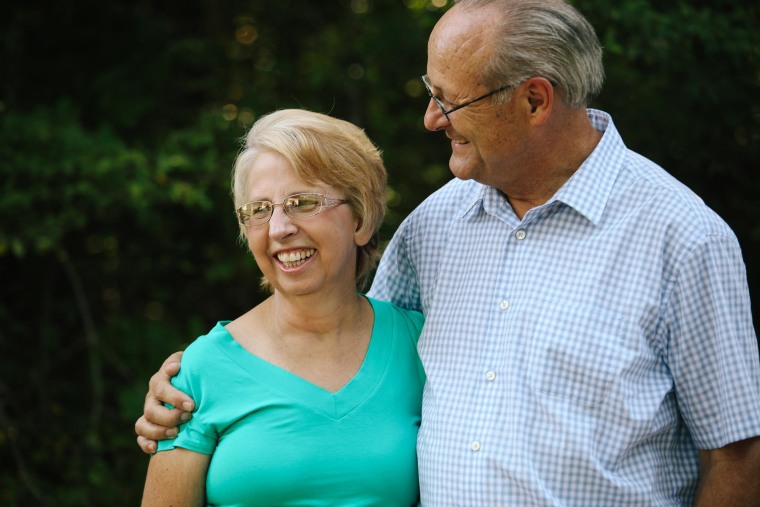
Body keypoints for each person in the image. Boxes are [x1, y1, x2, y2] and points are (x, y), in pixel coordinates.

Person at [137, 0, 760, 505]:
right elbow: (345, 347)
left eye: (450, 99)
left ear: (535, 100)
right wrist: (190, 391)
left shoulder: (684, 238)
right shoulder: (436, 226)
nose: (432, 119)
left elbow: (736, 455)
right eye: (429, 91)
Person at [140, 108, 425, 506]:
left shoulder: (423, 347)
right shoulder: (202, 369)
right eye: (259, 210)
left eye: (302, 202)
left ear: (360, 217)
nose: (279, 229)